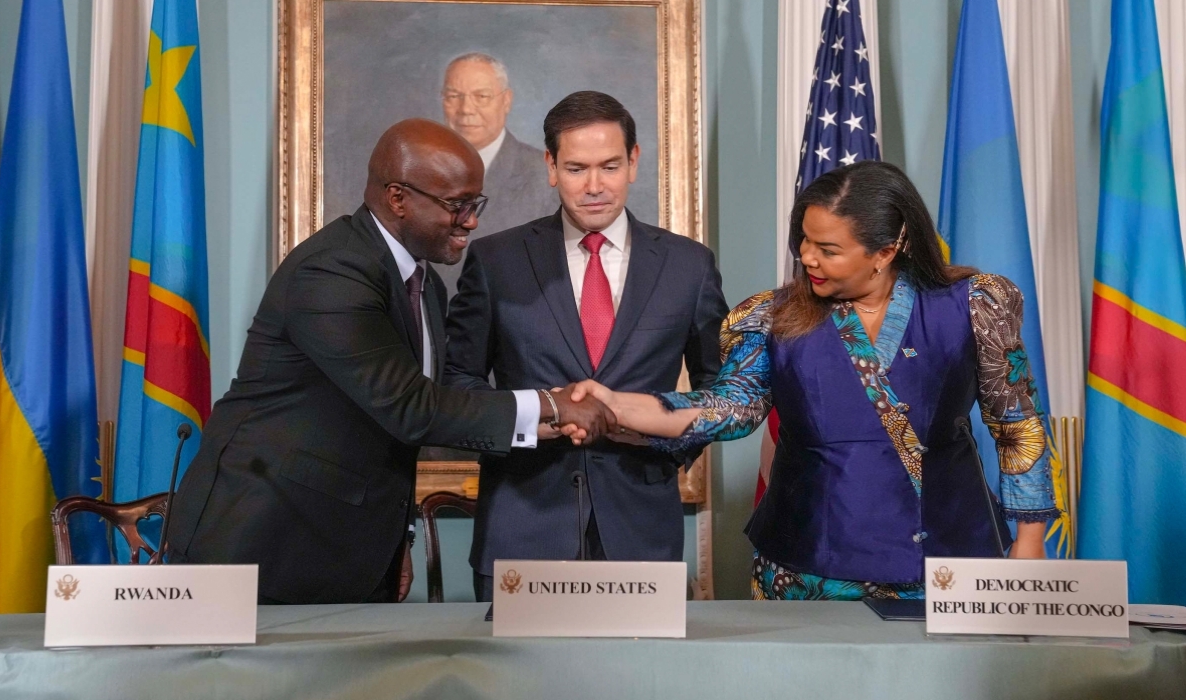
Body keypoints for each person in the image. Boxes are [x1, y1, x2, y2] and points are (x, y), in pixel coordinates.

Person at [166, 119, 615, 605]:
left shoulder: (427, 287)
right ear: (398, 199)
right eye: (457, 206)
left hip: (353, 545)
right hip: (264, 539)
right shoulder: (332, 271)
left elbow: (403, 427)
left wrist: (392, 537)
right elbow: (410, 407)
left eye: (475, 204)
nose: (471, 221)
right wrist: (553, 407)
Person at [565, 161, 1059, 600]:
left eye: (828, 249)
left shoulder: (975, 303)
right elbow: (728, 408)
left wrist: (1030, 539)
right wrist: (616, 405)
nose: (807, 258)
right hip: (809, 568)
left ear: (885, 251)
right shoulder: (771, 316)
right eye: (803, 239)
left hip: (950, 562)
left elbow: (1016, 423)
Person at [443, 91, 729, 602]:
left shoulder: (690, 266)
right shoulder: (495, 261)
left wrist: (656, 439)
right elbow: (457, 385)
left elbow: (720, 394)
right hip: (520, 530)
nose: (594, 186)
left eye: (610, 166)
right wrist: (545, 418)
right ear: (551, 166)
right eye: (576, 168)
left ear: (634, 162)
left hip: (642, 534)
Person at [435, 52, 558, 290]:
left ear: (506, 101)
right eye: (453, 96)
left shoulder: (545, 176)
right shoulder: (423, 171)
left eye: (481, 96)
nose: (466, 109)